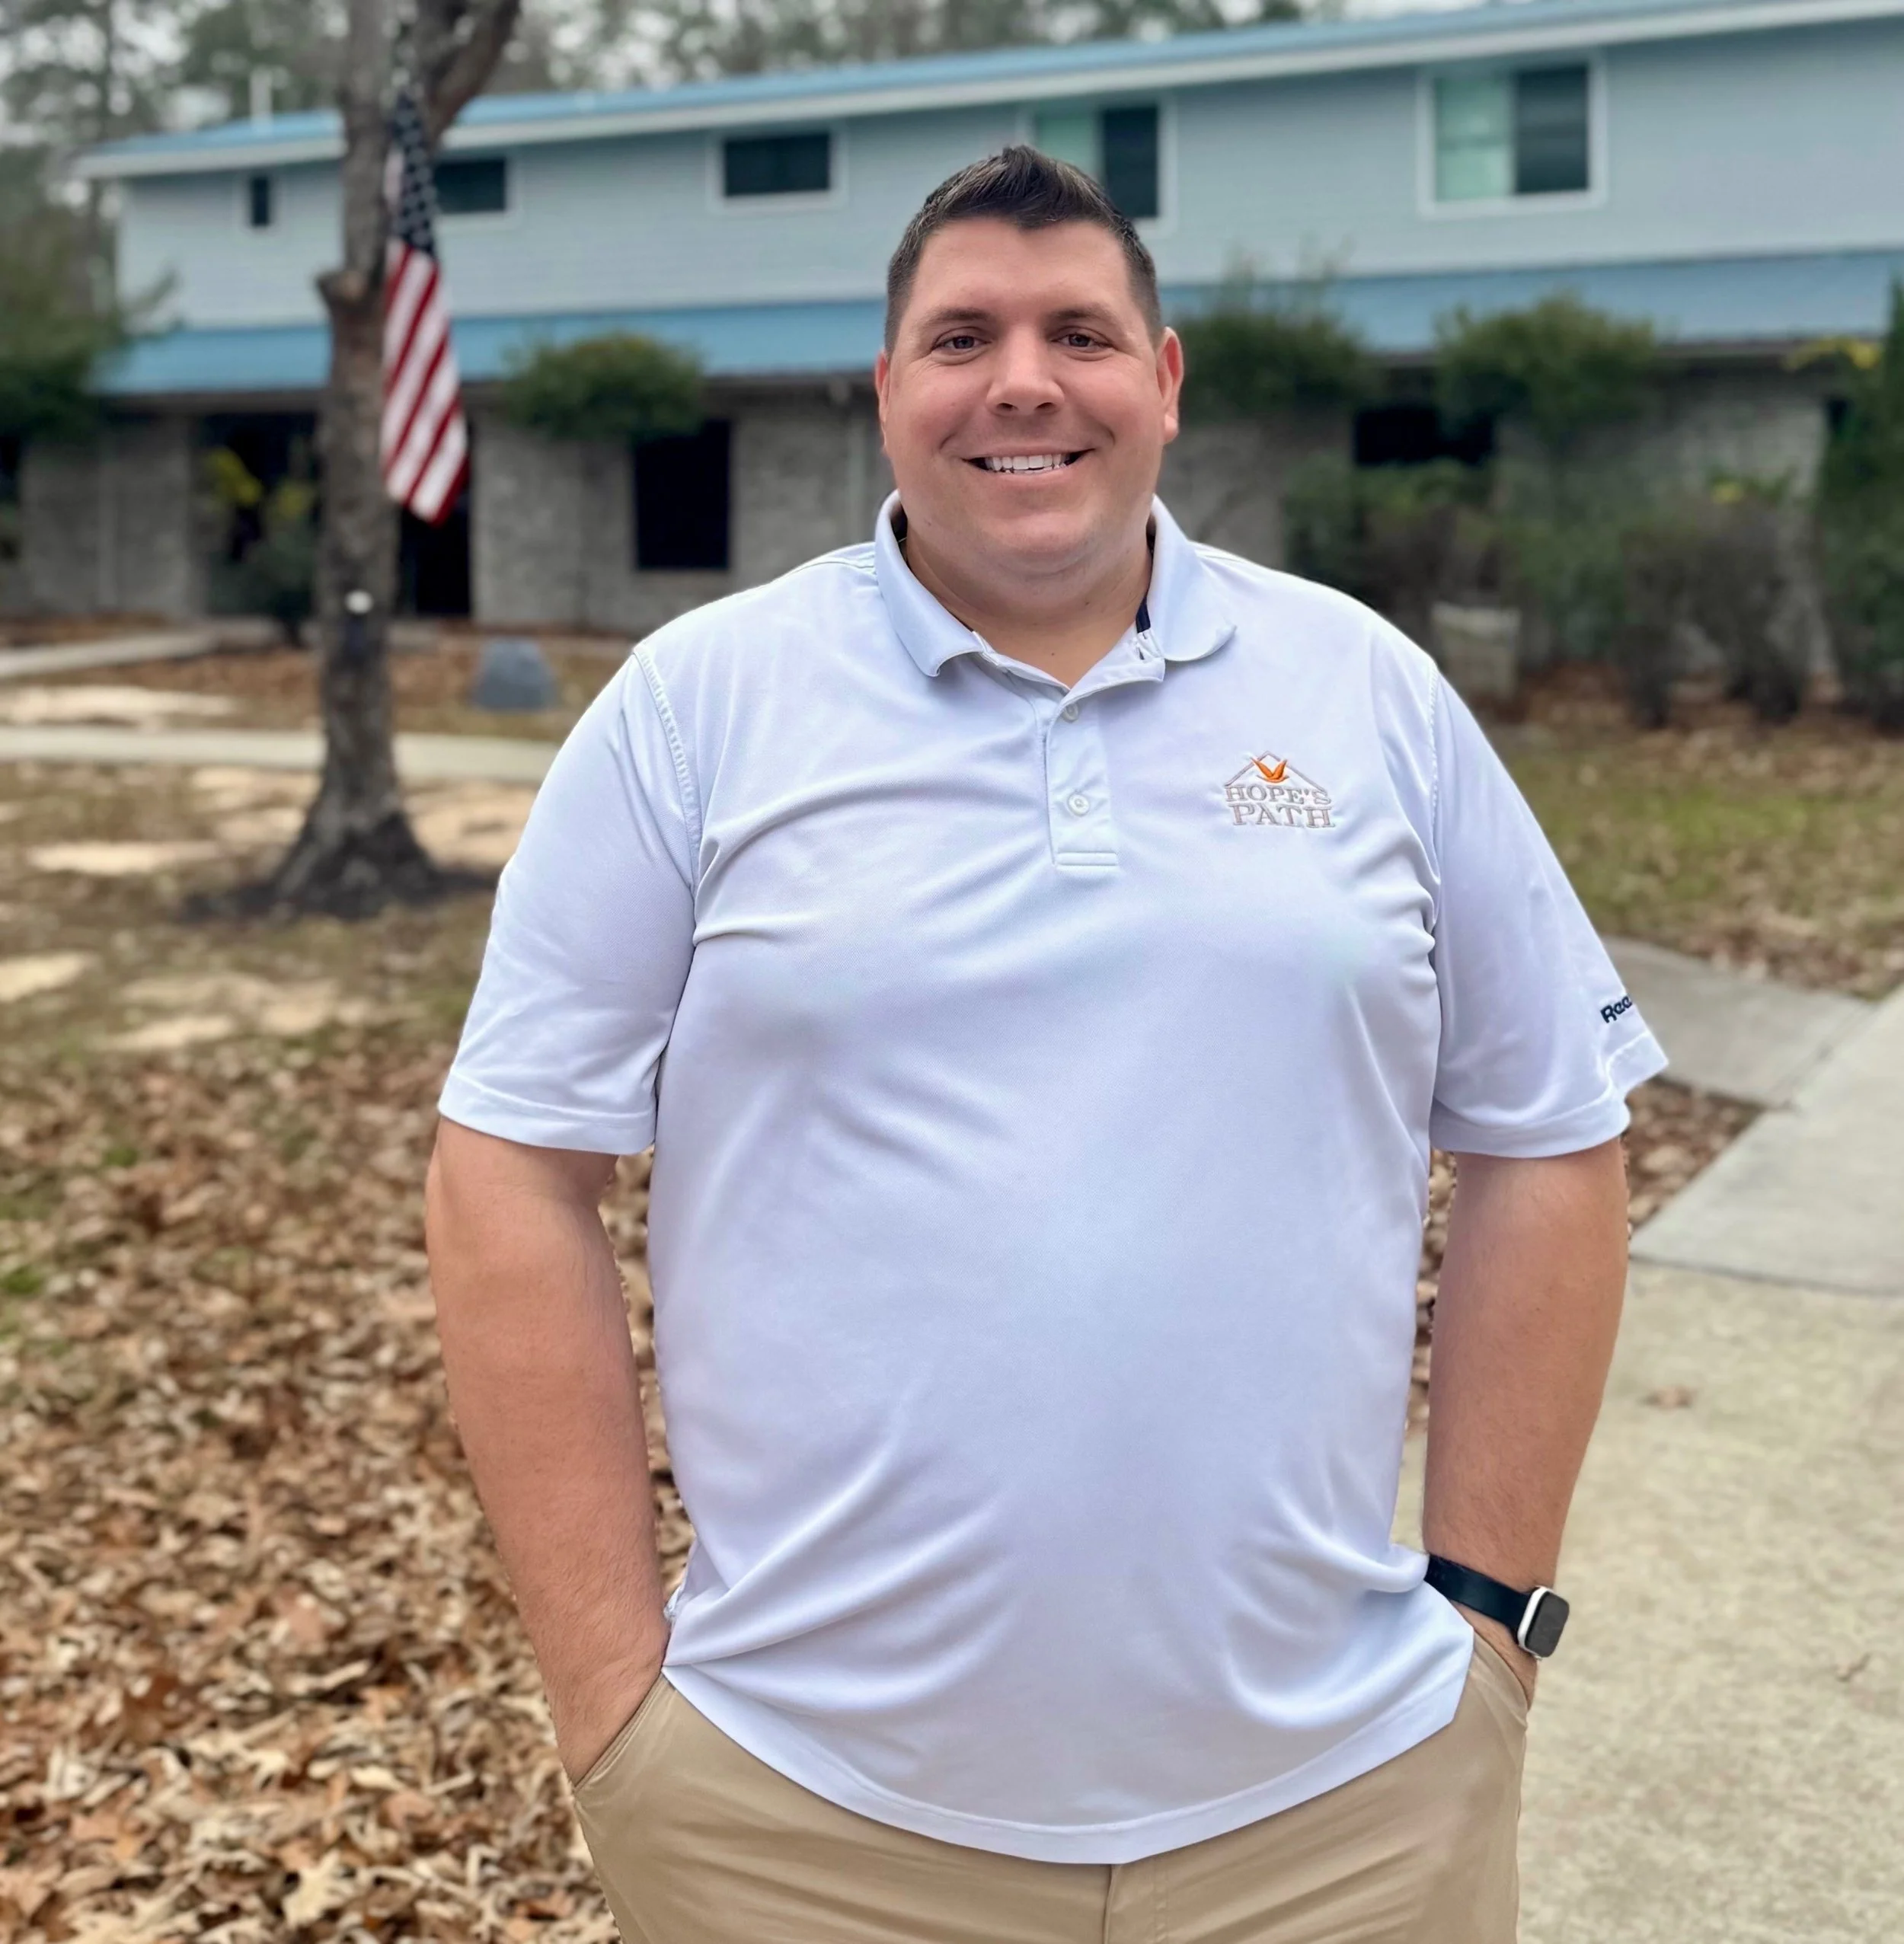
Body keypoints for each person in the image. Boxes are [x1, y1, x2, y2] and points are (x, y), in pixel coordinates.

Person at [425, 146, 1665, 1943]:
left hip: (1347, 1818)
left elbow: (1549, 1134)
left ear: (1160, 385)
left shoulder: (1364, 693)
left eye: (1078, 330)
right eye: (959, 338)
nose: (1021, 379)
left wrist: (1486, 1621)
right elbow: (506, 1170)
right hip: (797, 1821)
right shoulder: (696, 711)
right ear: (885, 397)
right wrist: (614, 1699)